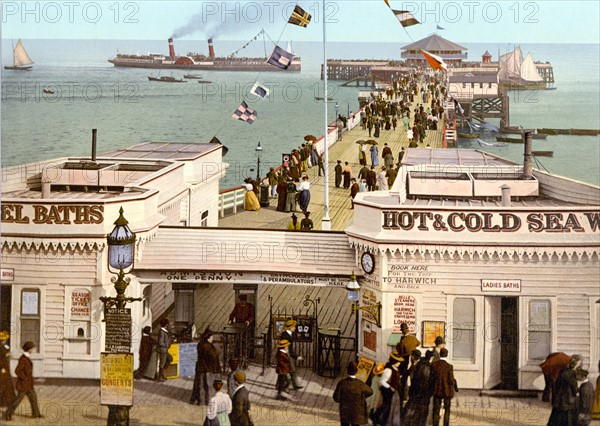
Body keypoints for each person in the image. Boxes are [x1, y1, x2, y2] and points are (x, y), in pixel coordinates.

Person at [2, 341, 42, 421]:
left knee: (33, 398)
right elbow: (17, 371)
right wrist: (25, 378)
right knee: (17, 401)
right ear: (29, 349)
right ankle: (7, 415)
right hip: (23, 384)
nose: (32, 350)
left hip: (28, 385)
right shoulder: (23, 359)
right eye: (32, 348)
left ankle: (36, 414)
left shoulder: (26, 357)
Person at [333, 361, 373, 426]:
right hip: (356, 412)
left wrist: (344, 401)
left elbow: (336, 398)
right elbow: (370, 391)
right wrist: (361, 397)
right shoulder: (360, 384)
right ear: (356, 371)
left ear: (347, 370)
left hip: (345, 411)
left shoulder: (342, 383)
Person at [548, 354, 583, 426]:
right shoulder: (572, 373)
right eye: (579, 362)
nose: (580, 364)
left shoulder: (563, 371)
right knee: (568, 419)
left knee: (557, 419)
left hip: (559, 398)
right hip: (568, 399)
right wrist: (577, 391)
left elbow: (558, 384)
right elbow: (574, 388)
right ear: (575, 363)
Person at [191, 328, 222, 405]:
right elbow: (214, 357)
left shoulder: (200, 344)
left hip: (200, 368)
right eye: (212, 337)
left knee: (200, 386)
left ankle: (200, 401)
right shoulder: (209, 347)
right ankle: (208, 402)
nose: (213, 338)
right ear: (209, 337)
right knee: (208, 386)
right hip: (208, 369)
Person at [403, 350, 433, 426]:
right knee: (418, 412)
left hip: (418, 392)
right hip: (420, 392)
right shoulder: (421, 365)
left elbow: (418, 380)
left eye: (411, 357)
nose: (411, 358)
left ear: (413, 357)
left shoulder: (419, 366)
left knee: (413, 411)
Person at [373, 352, 402, 426]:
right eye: (398, 362)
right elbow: (382, 381)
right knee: (386, 407)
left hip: (393, 391)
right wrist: (390, 387)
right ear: (394, 361)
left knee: (388, 407)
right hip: (387, 391)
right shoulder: (388, 370)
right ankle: (377, 419)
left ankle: (380, 420)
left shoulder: (395, 368)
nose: (399, 363)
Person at [430, 348, 456, 426]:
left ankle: (435, 424)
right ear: (447, 355)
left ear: (440, 354)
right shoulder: (449, 366)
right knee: (447, 409)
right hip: (446, 391)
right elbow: (451, 380)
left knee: (436, 410)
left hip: (437, 390)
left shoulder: (434, 365)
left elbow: (431, 378)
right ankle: (446, 424)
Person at [229, 293, 256, 358]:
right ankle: (237, 355)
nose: (242, 303)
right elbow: (233, 314)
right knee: (237, 341)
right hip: (238, 327)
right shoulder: (237, 306)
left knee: (245, 342)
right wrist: (231, 319)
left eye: (243, 301)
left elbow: (252, 316)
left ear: (246, 301)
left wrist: (248, 321)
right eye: (241, 301)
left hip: (246, 327)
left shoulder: (250, 306)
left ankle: (245, 356)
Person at [279, 319, 303, 390]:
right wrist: (296, 357)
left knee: (291, 371)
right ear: (290, 327)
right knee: (287, 371)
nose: (295, 328)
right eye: (294, 327)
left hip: (288, 354)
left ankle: (294, 384)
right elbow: (287, 349)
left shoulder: (291, 333)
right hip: (284, 355)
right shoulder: (285, 335)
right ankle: (284, 386)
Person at [0, 331, 15, 407]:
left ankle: (7, 401)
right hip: (2, 368)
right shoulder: (0, 346)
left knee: (6, 384)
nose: (4, 341)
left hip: (5, 367)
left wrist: (8, 354)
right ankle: (3, 402)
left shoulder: (5, 346)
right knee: (3, 385)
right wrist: (1, 367)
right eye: (3, 339)